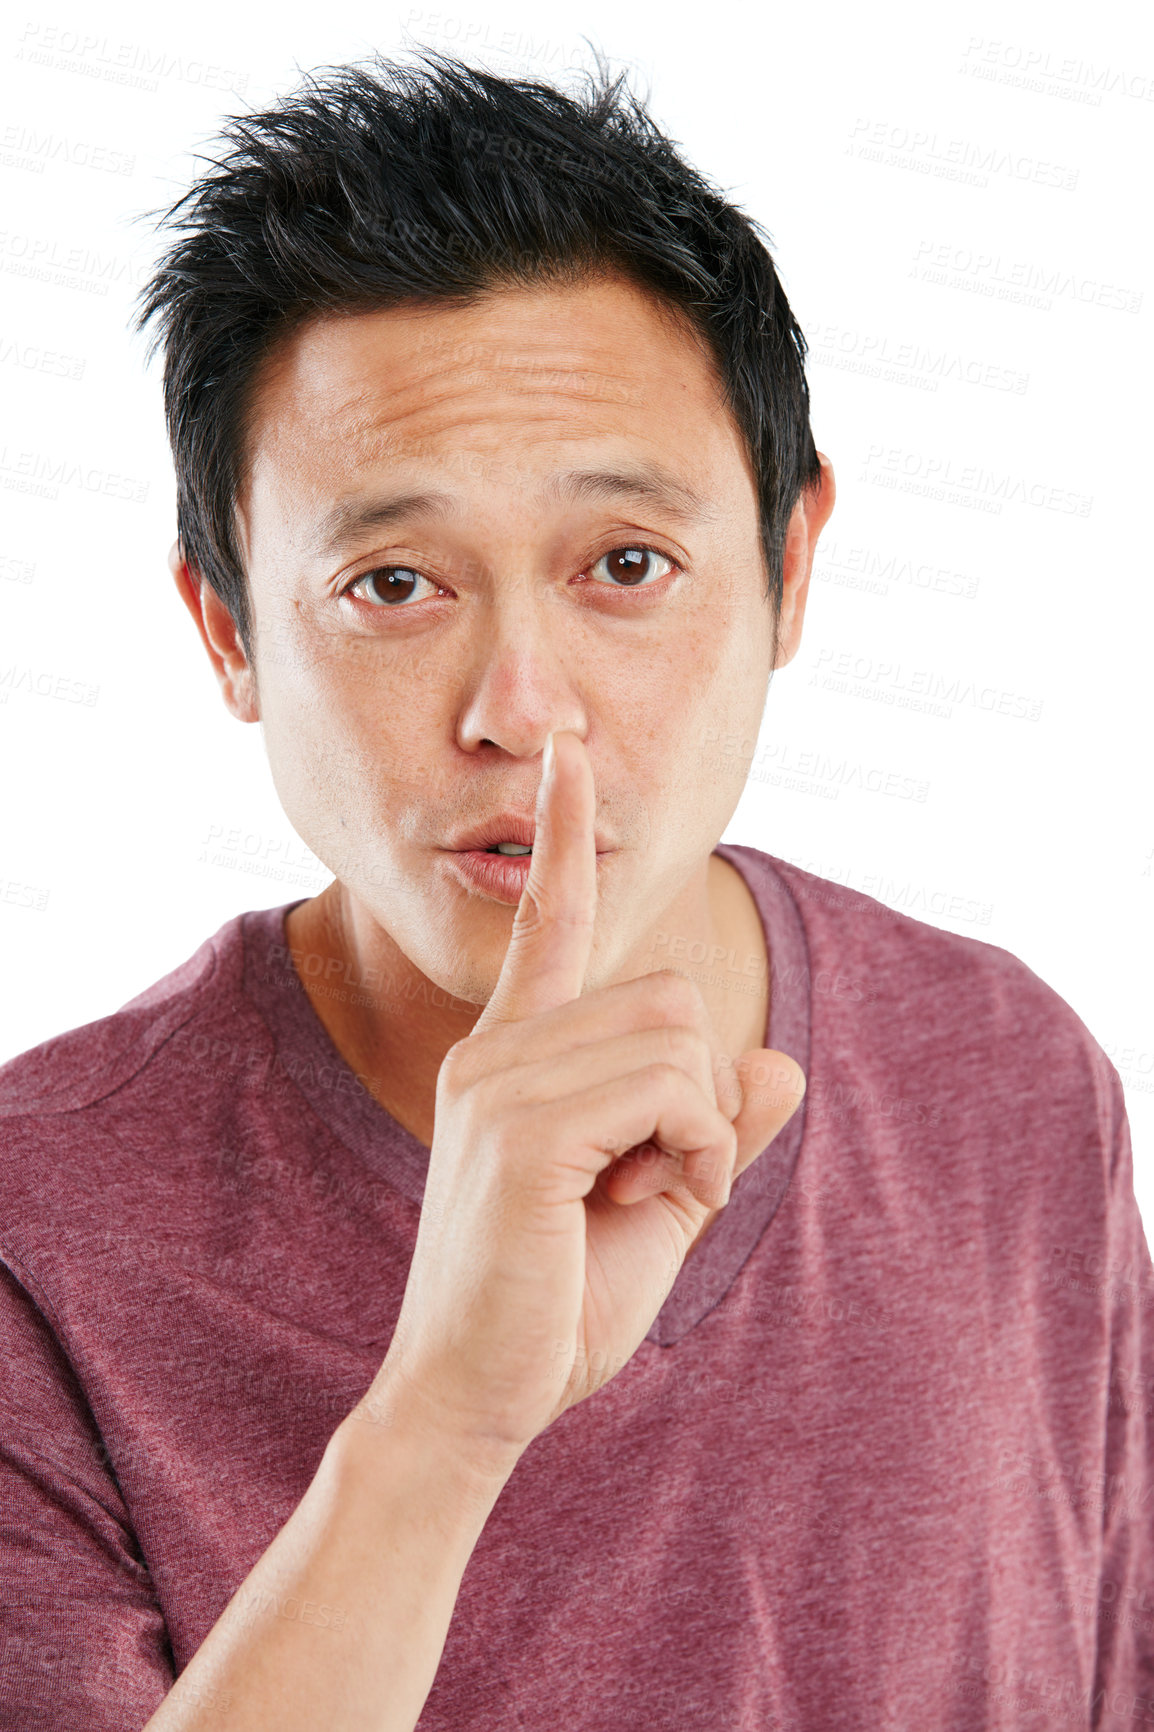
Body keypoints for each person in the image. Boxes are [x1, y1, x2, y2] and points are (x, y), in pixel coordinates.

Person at [0, 49, 1149, 1732]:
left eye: (626, 566)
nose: (520, 711)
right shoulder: (45, 1233)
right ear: (231, 630)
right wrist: (442, 1420)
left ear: (789, 568)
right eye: (393, 582)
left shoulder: (1007, 1071)